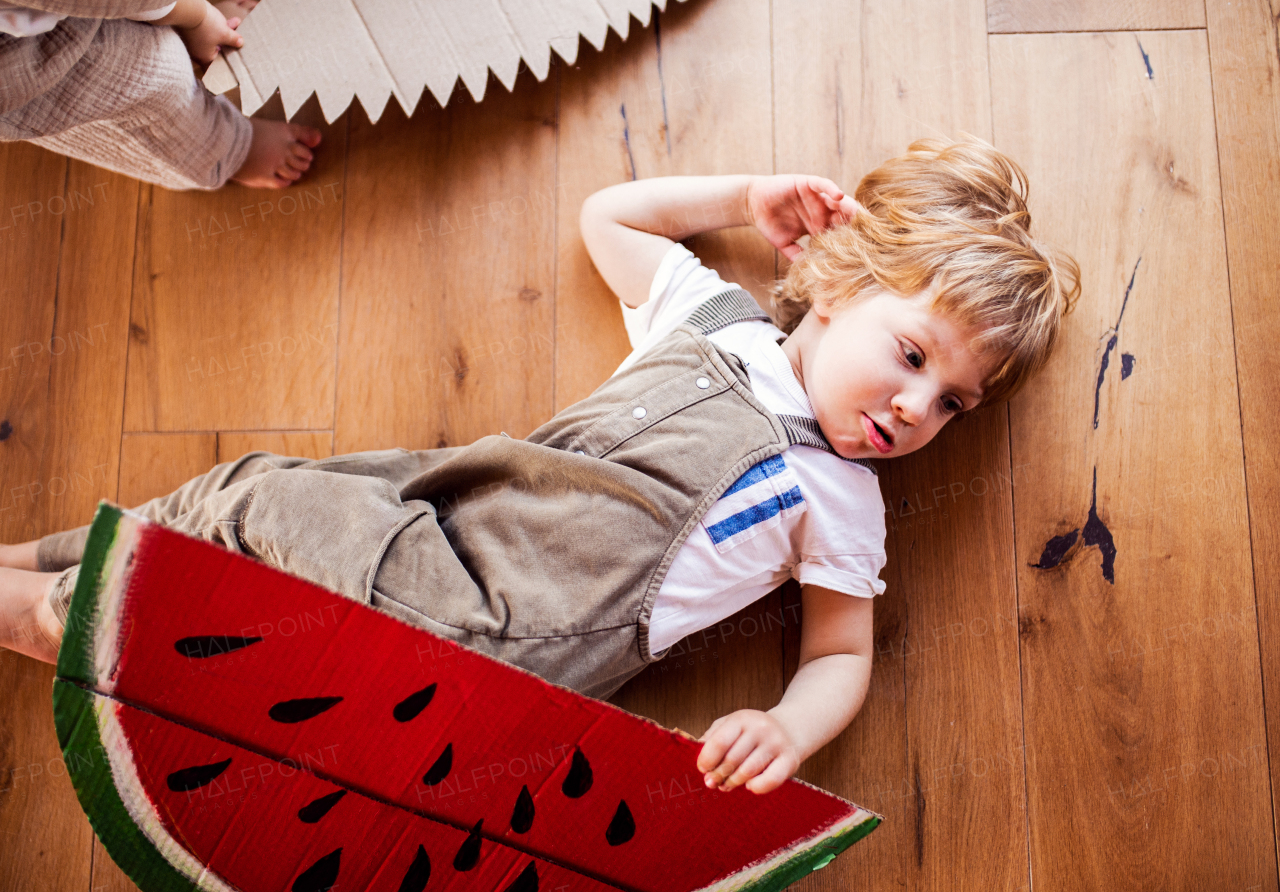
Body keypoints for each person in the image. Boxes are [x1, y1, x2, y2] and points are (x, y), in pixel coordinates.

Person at [0, 135, 1079, 795]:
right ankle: (26, 572)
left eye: (952, 402)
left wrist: (786, 725)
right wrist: (747, 193)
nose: (913, 406)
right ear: (835, 287)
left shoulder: (841, 502)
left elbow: (842, 650)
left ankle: (43, 611)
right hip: (439, 508)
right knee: (233, 494)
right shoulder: (714, 318)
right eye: (909, 355)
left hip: (500, 634)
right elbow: (609, 217)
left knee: (234, 583)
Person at [0, 0, 321, 189]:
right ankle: (225, 147)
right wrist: (196, 16)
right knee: (152, 72)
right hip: (22, 51)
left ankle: (177, 12)